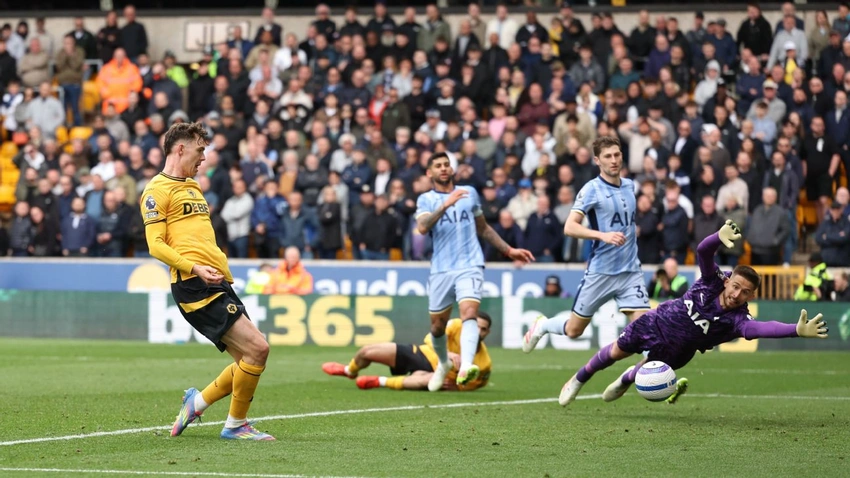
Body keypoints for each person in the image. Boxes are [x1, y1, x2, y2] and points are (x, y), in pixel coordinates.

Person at [558, 220, 829, 407]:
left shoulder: (738, 320)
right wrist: (717, 237)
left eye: (745, 292)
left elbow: (760, 329)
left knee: (645, 372)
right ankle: (579, 378)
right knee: (617, 351)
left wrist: (795, 330)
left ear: (751, 296)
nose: (737, 294)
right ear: (728, 281)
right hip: (655, 322)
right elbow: (703, 251)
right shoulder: (712, 280)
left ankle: (627, 378)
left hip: (679, 351)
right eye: (736, 286)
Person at [141, 122, 274, 441]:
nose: (204, 158)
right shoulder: (156, 190)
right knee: (258, 348)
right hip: (193, 284)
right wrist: (195, 267)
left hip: (215, 280)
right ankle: (236, 425)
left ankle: (196, 403)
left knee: (248, 359)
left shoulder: (193, 186)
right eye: (200, 150)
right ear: (180, 148)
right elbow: (155, 245)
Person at [414, 152, 534, 391]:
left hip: (470, 264)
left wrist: (509, 250)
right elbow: (423, 227)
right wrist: (445, 204)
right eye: (438, 166)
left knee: (469, 312)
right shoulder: (426, 199)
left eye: (446, 164)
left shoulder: (469, 193)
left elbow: (484, 228)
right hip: (441, 269)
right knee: (437, 327)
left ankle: (466, 366)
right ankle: (444, 364)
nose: (443, 168)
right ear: (429, 173)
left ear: (452, 169)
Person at [524, 136, 649, 352]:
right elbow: (569, 227)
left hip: (630, 271)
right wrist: (602, 236)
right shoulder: (591, 189)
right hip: (601, 271)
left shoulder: (630, 186)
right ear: (597, 160)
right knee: (574, 330)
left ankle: (654, 370)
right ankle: (543, 325)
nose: (613, 160)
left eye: (617, 155)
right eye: (607, 156)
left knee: (644, 329)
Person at [322, 312, 492, 392]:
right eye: (475, 326)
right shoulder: (456, 325)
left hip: (439, 375)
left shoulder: (484, 363)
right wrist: (446, 353)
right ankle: (349, 371)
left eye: (483, 329)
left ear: (488, 332)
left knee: (426, 380)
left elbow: (475, 384)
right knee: (367, 351)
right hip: (423, 354)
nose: (477, 332)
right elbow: (430, 338)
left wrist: (458, 388)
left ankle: (379, 381)